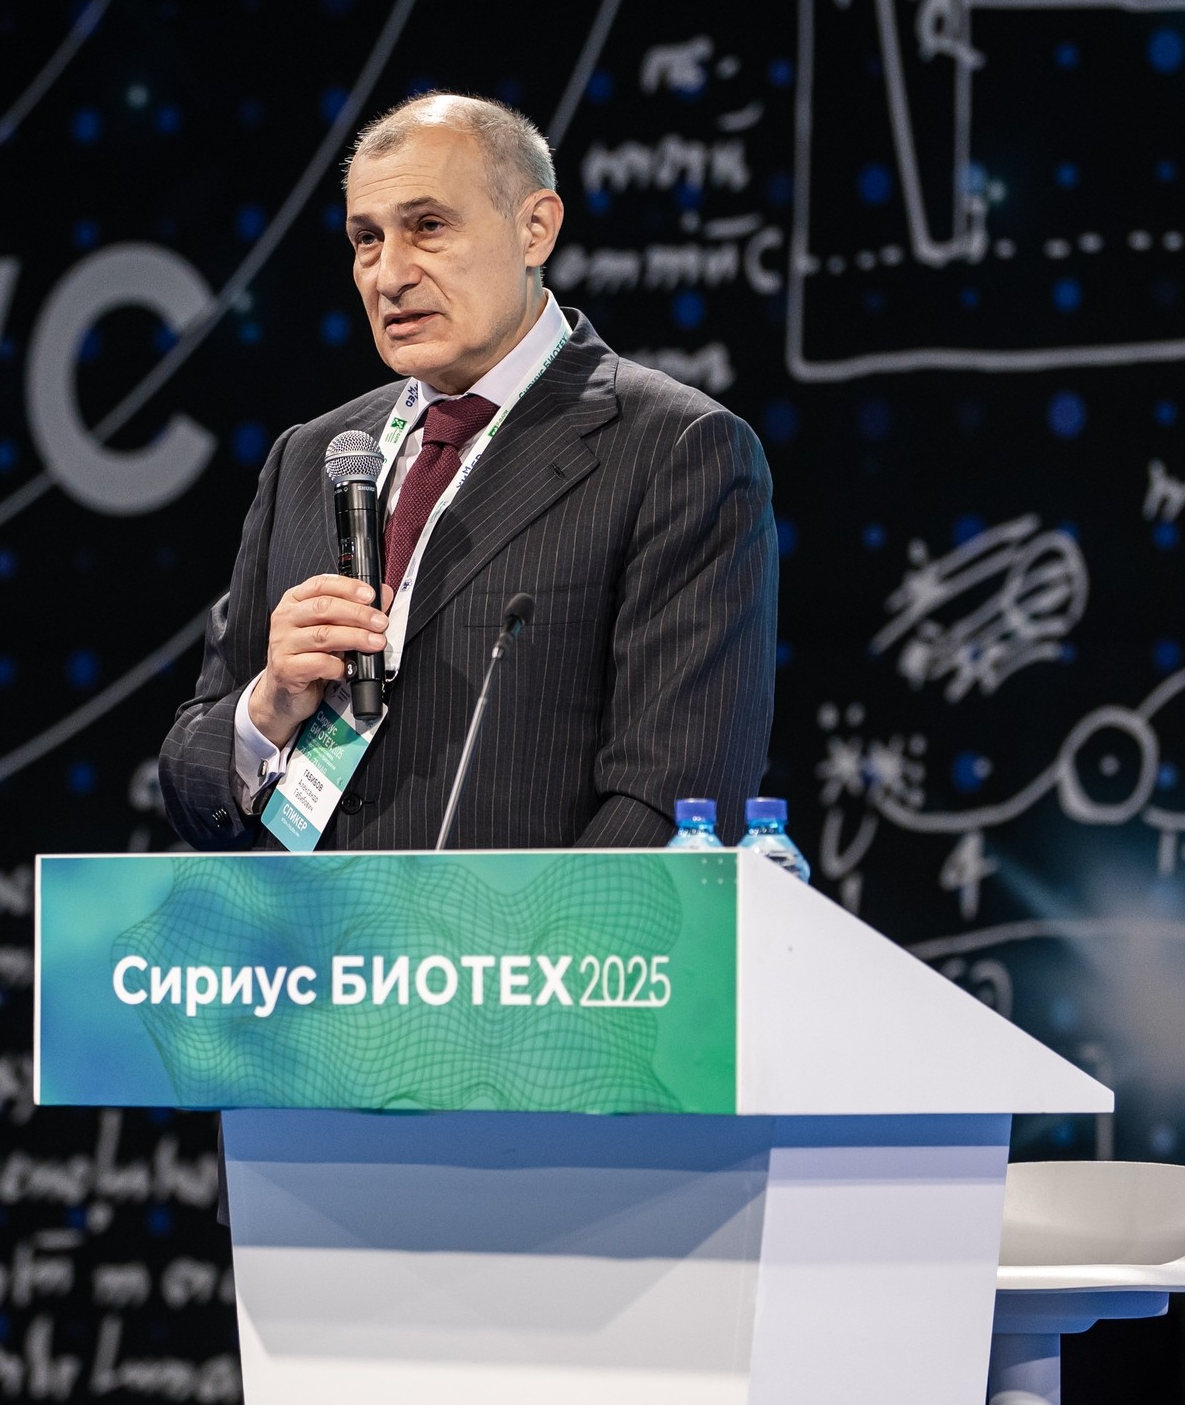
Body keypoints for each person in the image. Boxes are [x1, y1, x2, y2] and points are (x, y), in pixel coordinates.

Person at [157, 92, 777, 851]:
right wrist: (268, 707)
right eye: (366, 239)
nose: (390, 275)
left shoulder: (676, 450)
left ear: (535, 228)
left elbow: (674, 798)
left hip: (523, 930)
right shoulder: (309, 456)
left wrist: (503, 936)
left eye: (428, 226)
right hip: (298, 928)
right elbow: (189, 783)